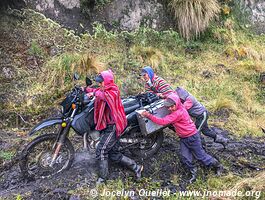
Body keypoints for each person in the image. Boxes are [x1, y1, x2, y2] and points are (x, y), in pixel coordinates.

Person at [139, 93, 223, 183]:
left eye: (172, 106)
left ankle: (218, 166)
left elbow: (162, 121)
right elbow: (173, 95)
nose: (170, 109)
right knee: (185, 156)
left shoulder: (178, 113)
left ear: (176, 104)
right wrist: (162, 95)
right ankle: (193, 173)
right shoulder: (178, 104)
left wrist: (148, 115)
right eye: (168, 107)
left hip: (192, 137)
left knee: (201, 156)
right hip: (183, 138)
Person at [85, 69, 143, 184]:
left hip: (114, 125)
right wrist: (86, 89)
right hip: (109, 124)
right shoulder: (104, 89)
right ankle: (136, 167)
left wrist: (94, 93)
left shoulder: (113, 91)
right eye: (99, 83)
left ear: (107, 82)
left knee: (101, 150)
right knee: (114, 154)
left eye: (101, 82)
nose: (100, 85)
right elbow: (98, 91)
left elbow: (104, 96)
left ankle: (102, 179)